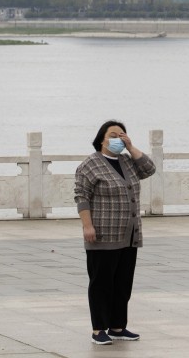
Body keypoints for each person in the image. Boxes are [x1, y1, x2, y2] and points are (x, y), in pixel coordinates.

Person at [74, 120, 156, 345]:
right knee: (101, 283)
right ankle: (98, 329)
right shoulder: (90, 164)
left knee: (123, 283)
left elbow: (149, 168)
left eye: (122, 135)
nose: (118, 138)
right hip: (103, 234)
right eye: (113, 135)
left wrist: (131, 147)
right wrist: (87, 225)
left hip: (129, 235)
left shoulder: (127, 162)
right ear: (102, 139)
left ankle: (118, 326)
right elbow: (81, 196)